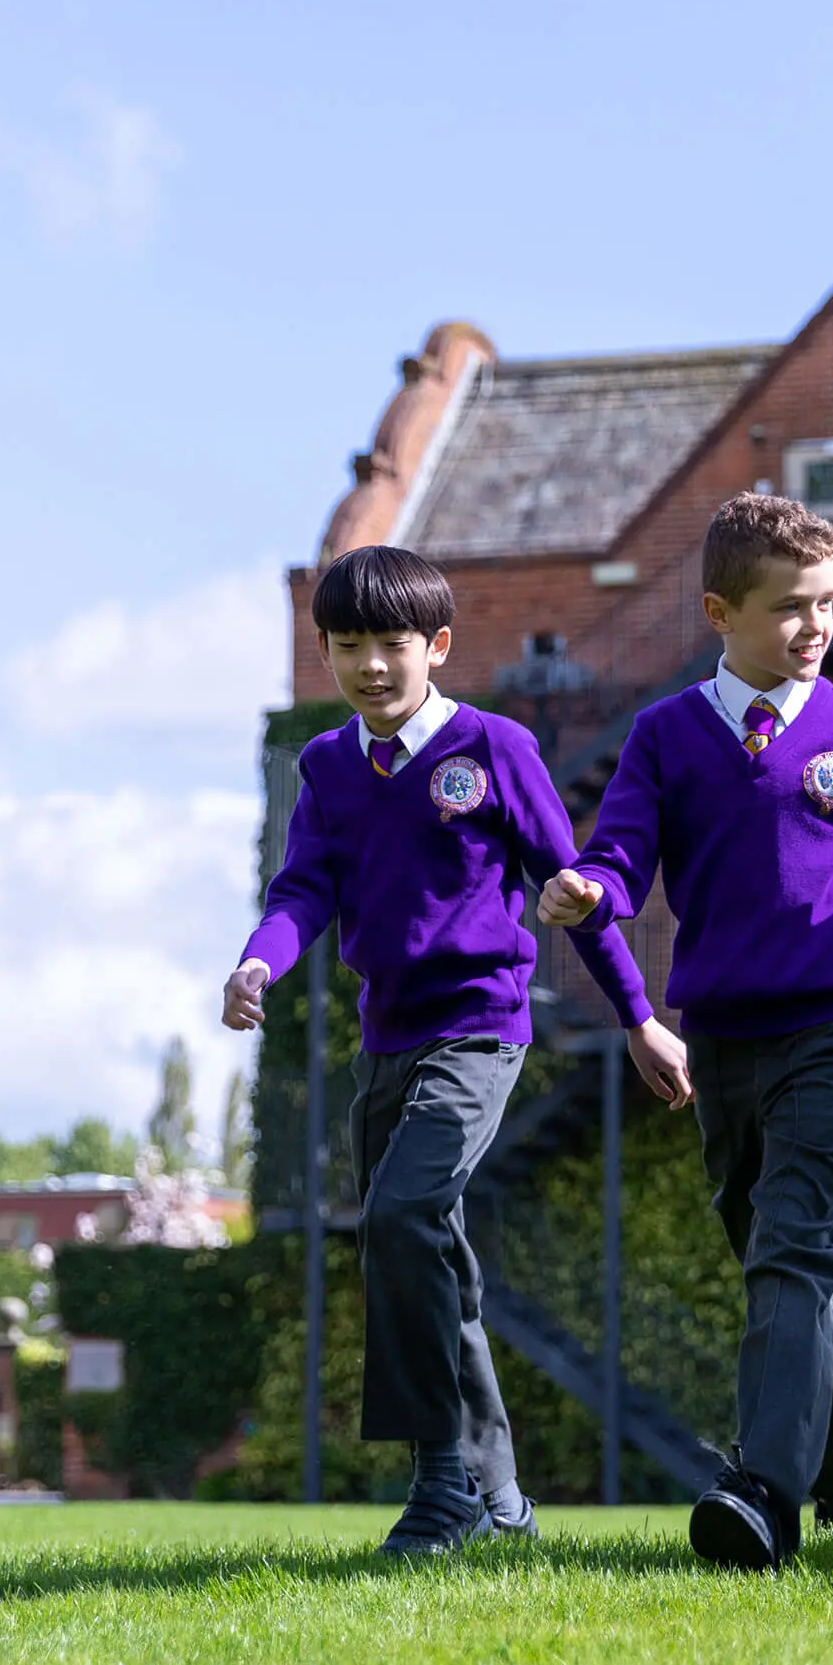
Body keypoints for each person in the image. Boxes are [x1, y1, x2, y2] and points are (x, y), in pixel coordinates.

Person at [538, 491, 833, 1570]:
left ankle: (763, 1490)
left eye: (827, 603)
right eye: (791, 607)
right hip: (719, 1040)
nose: (815, 626)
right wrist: (588, 887)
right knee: (777, 1257)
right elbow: (621, 854)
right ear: (719, 610)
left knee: (793, 1242)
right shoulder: (665, 736)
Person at [223, 544, 683, 1557]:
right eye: (348, 646)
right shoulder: (331, 768)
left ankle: (445, 1484)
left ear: (435, 646)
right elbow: (303, 891)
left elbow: (571, 889)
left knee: (403, 1211)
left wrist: (637, 1014)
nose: (372, 665)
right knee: (429, 1255)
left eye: (391, 644)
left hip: (479, 1029)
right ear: (328, 651)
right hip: (385, 1037)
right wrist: (260, 965)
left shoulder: (497, 748)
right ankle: (504, 1495)